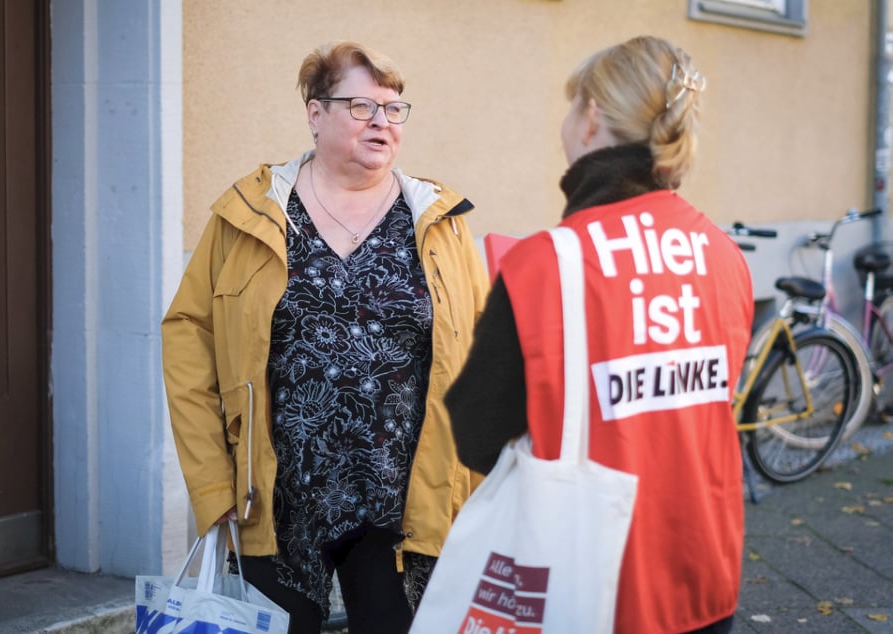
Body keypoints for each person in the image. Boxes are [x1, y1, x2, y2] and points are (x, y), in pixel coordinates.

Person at [162, 41, 489, 634]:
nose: (382, 123)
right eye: (362, 106)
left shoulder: (441, 223)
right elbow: (189, 341)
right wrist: (212, 484)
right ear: (315, 114)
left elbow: (480, 361)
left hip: (405, 505)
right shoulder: (248, 215)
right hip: (274, 500)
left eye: (394, 109)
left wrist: (476, 493)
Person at [446, 35, 752, 634]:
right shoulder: (724, 254)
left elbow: (476, 433)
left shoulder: (545, 265)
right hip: (705, 575)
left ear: (589, 120)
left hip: (594, 586)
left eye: (570, 108)